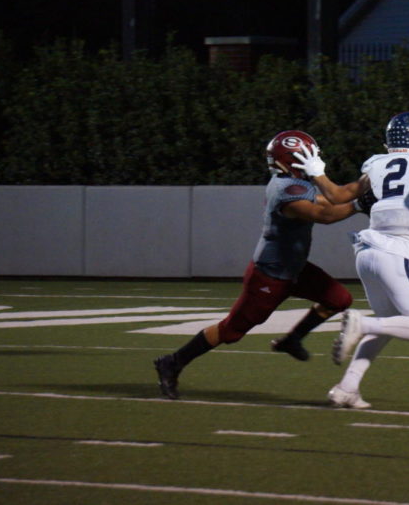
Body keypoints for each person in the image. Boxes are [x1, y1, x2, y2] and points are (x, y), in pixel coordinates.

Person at [153, 130, 372, 400]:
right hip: (270, 276)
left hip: (295, 269)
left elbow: (334, 197)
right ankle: (172, 362)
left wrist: (372, 177)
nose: (315, 159)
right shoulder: (286, 189)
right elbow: (324, 214)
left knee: (339, 298)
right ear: (295, 159)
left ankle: (292, 340)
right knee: (231, 331)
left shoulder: (294, 181)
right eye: (310, 155)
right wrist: (360, 203)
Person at [291, 111, 409, 409]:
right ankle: (362, 323)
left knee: (389, 325)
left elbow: (338, 195)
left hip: (367, 253)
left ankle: (346, 388)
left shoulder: (377, 164)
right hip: (394, 253)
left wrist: (317, 172)